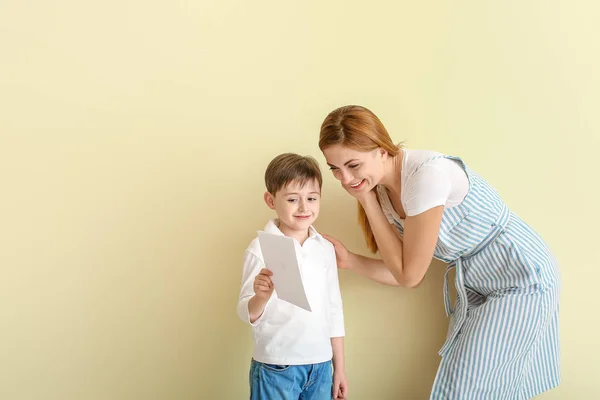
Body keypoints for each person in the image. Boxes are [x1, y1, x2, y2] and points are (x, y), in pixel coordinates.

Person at [318, 105, 560, 399]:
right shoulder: (382, 192)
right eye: (335, 169)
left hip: (520, 275)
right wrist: (350, 261)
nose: (344, 179)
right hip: (478, 284)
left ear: (382, 150)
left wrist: (366, 201)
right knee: (466, 386)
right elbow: (406, 274)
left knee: (465, 388)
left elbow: (409, 275)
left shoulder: (425, 178)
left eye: (353, 165)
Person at [237, 153, 348, 400]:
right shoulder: (260, 248)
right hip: (277, 365)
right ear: (271, 200)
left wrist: (339, 368)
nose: (304, 207)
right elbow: (246, 311)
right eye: (292, 199)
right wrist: (261, 297)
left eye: (311, 198)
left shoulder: (324, 248)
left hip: (321, 365)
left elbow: (334, 309)